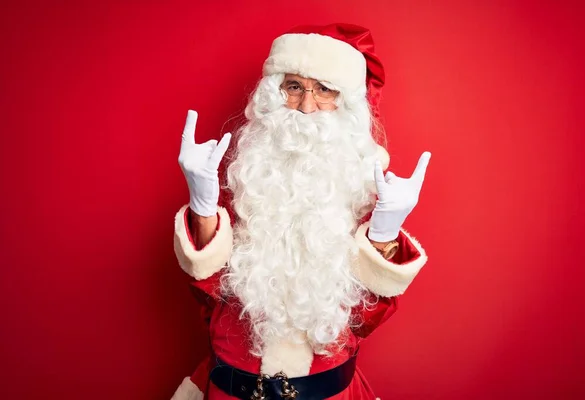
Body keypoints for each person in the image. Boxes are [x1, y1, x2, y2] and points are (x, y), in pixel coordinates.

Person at [171, 23, 431, 400]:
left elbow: (364, 320)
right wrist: (202, 205)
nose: (307, 107)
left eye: (324, 89)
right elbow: (208, 294)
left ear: (347, 105)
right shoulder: (244, 180)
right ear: (273, 94)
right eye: (294, 86)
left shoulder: (367, 193)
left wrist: (385, 232)